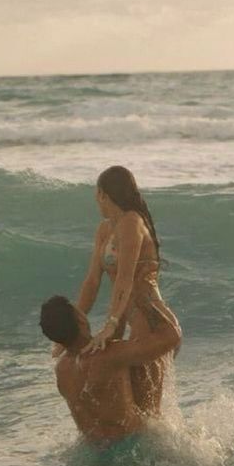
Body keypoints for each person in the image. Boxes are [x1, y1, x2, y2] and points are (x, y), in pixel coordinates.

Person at [74, 164, 180, 416]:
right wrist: (74, 326)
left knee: (147, 416)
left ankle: (173, 453)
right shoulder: (105, 229)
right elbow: (91, 282)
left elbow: (125, 279)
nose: (96, 203)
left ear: (103, 194)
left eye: (96, 196)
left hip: (155, 327)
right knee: (132, 412)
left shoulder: (132, 222)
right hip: (132, 327)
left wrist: (110, 325)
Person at [39, 294, 181, 445]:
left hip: (93, 451)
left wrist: (115, 319)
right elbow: (171, 337)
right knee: (150, 364)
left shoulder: (61, 369)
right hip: (132, 448)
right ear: (80, 320)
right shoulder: (109, 356)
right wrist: (142, 298)